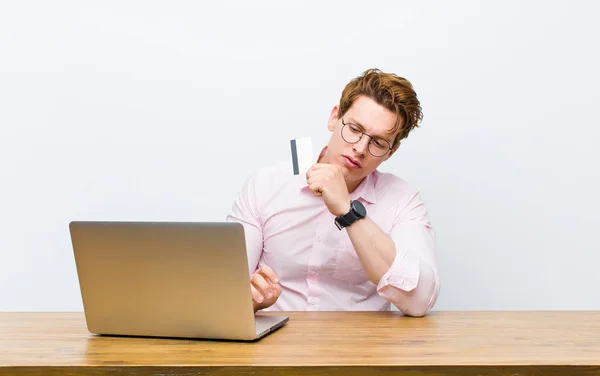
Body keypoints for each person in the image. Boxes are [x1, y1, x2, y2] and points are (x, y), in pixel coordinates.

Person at [226, 68, 440, 317]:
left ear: (391, 152)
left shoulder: (402, 200)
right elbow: (223, 286)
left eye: (379, 143)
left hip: (362, 351)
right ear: (334, 118)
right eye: (355, 129)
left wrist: (348, 211)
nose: (360, 148)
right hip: (275, 347)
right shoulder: (267, 184)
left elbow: (419, 301)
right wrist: (249, 300)